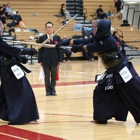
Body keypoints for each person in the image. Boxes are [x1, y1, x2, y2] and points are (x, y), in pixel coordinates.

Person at [56, 19, 140, 124]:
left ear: (102, 28)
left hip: (122, 70)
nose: (93, 29)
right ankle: (102, 117)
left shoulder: (109, 40)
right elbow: (86, 41)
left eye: (96, 27)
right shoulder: (100, 38)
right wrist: (69, 41)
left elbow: (89, 47)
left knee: (136, 89)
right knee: (101, 90)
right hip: (111, 71)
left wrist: (75, 48)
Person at [0, 21, 39, 125]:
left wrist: (20, 58)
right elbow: (11, 50)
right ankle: (20, 116)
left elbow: (8, 53)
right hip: (8, 72)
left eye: (1, 27)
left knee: (7, 92)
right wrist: (27, 51)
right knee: (23, 92)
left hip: (10, 69)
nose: (1, 29)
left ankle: (8, 114)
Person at [38, 21, 62, 96]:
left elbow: (60, 49)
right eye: (47, 27)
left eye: (50, 27)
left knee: (53, 76)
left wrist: (60, 59)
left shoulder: (57, 37)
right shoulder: (42, 38)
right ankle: (48, 91)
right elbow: (40, 50)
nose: (49, 28)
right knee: (47, 77)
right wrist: (40, 60)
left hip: (55, 60)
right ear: (45, 28)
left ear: (53, 28)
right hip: (45, 60)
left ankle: (53, 90)